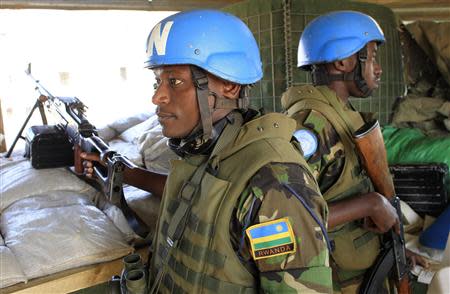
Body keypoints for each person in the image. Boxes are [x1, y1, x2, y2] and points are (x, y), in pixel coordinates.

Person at [83, 9, 332, 293]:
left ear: (229, 85)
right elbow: (203, 196)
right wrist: (125, 173)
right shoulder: (207, 150)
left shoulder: (274, 182)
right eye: (157, 82)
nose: (157, 96)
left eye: (174, 81)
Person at [281, 11, 428, 293]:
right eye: (371, 57)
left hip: (363, 266)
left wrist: (395, 251)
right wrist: (369, 204)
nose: (378, 68)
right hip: (336, 279)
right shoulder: (311, 127)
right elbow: (285, 220)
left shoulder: (343, 115)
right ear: (344, 61)